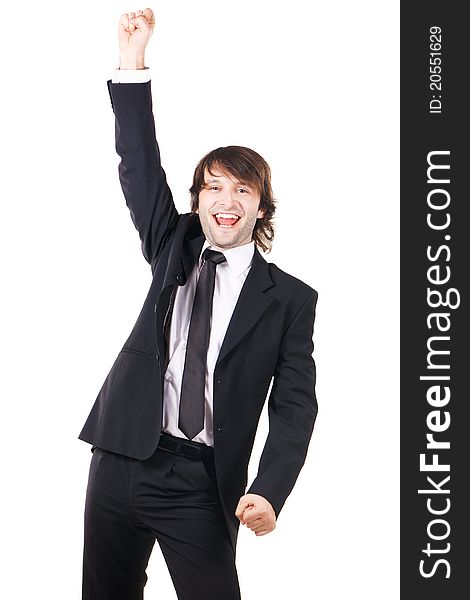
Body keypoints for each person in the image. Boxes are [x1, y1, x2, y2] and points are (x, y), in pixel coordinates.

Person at [79, 8, 318, 600]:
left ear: (261, 206)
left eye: (242, 188)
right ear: (197, 200)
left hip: (200, 479)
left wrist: (270, 487)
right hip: (118, 456)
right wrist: (132, 63)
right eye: (213, 186)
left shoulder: (289, 299)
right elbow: (137, 164)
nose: (226, 198)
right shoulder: (172, 244)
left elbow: (294, 406)